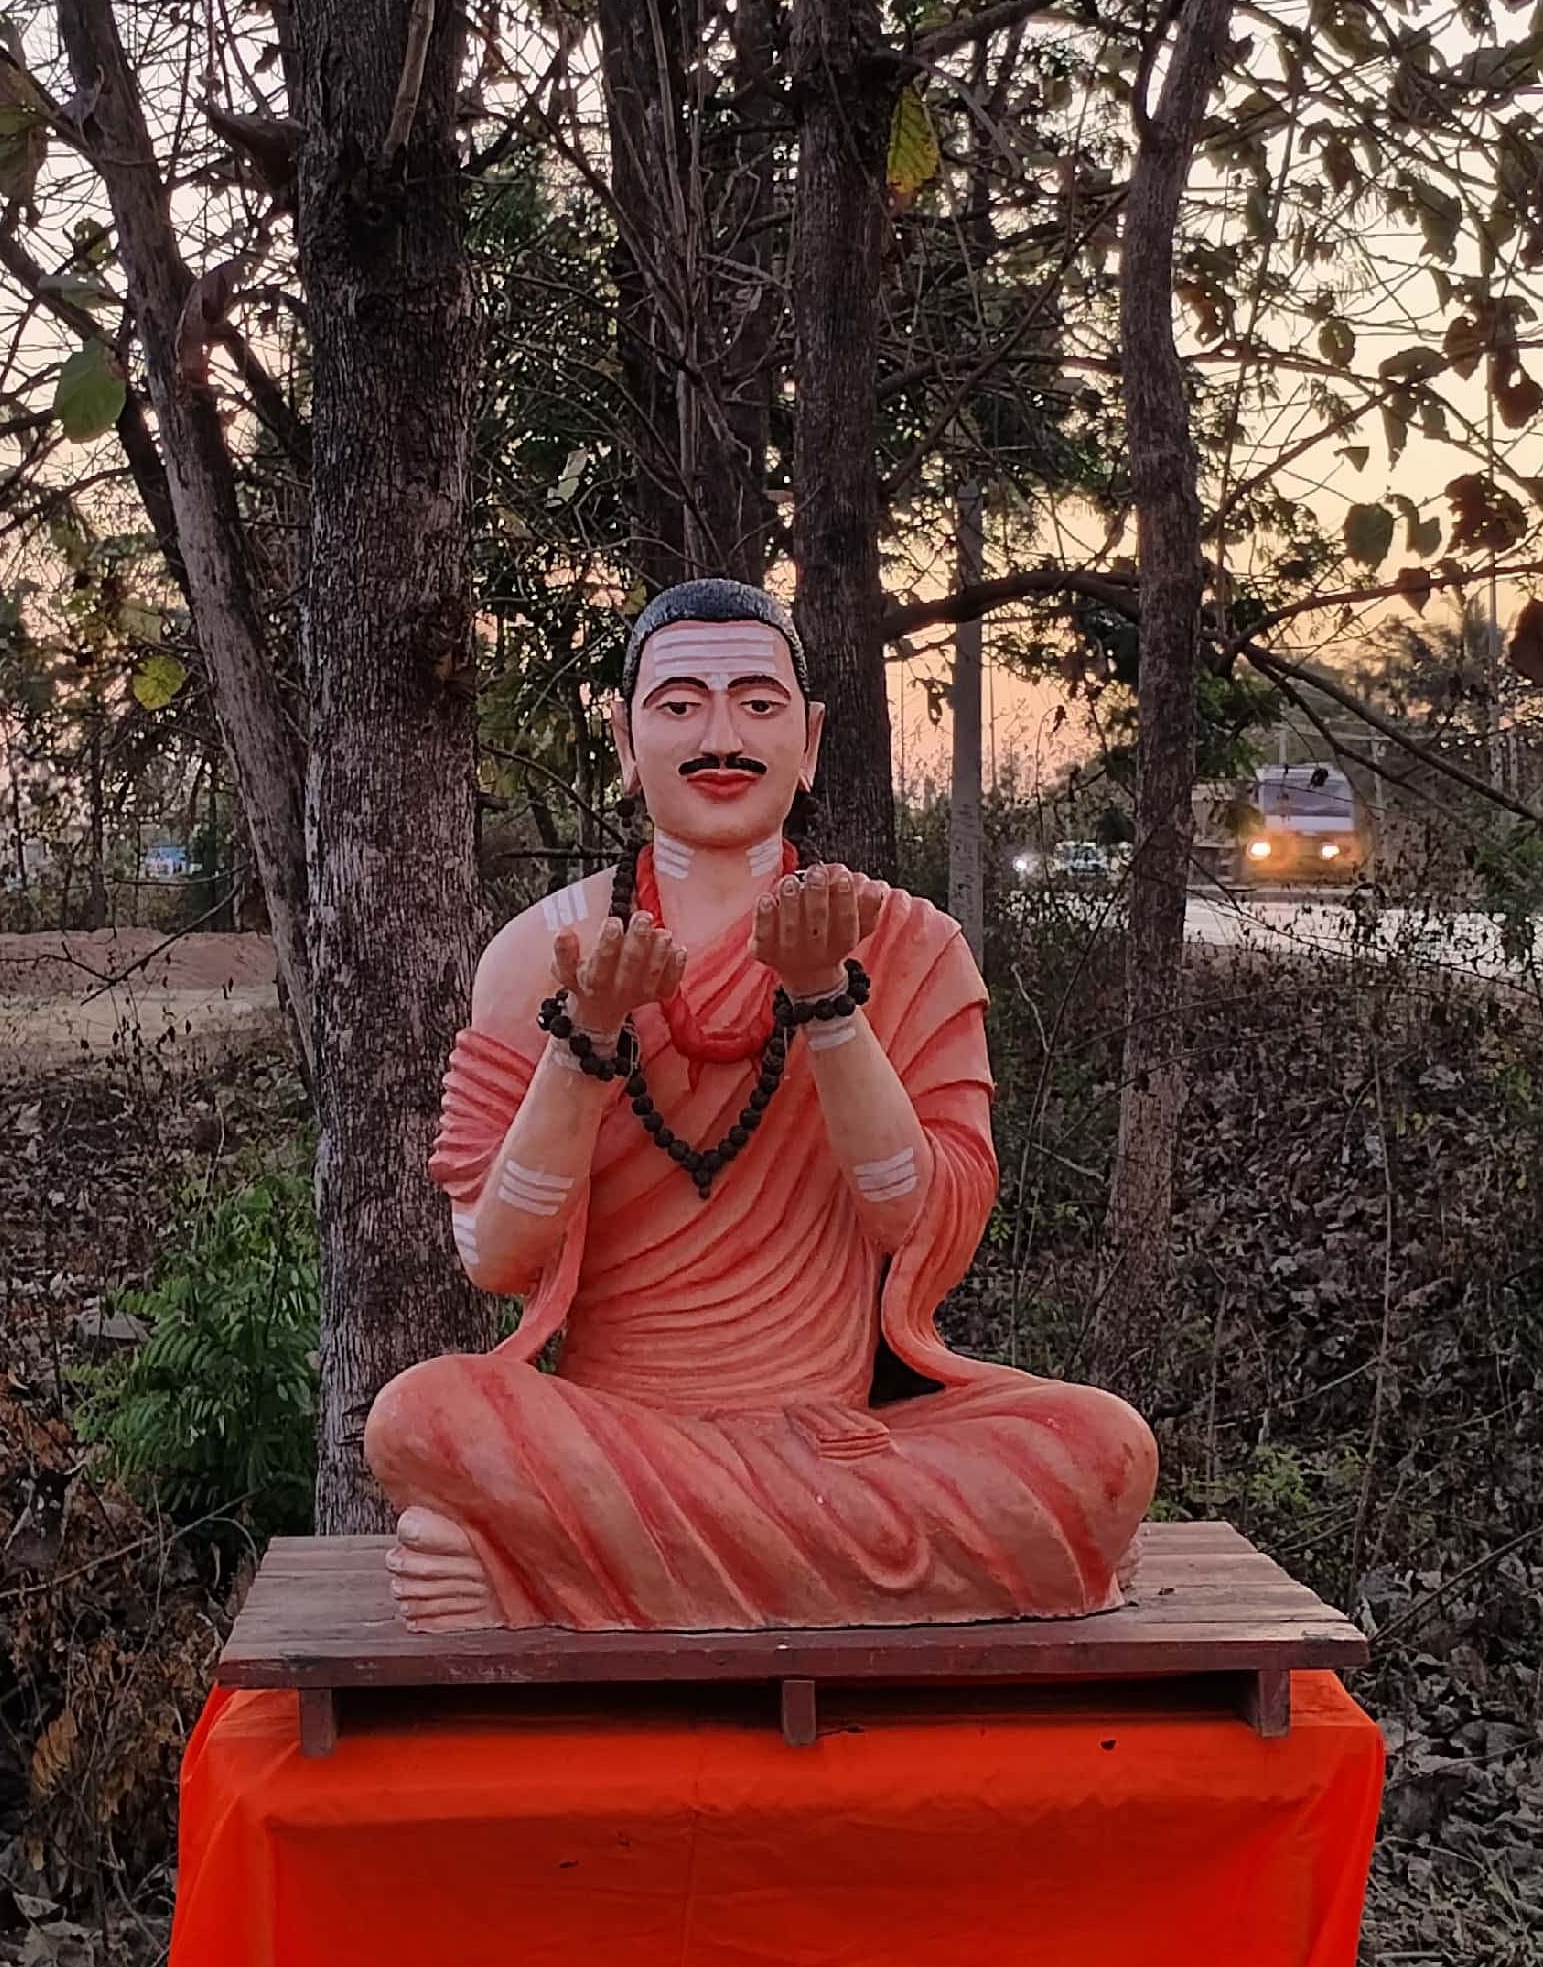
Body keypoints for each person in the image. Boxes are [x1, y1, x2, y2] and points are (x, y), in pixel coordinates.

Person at [368, 578, 1157, 1630]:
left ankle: (535, 1576)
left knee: (1101, 1448)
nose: (720, 735)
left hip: (833, 1441)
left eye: (757, 701)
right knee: (420, 1417)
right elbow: (496, 1254)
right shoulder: (538, 954)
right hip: (614, 1434)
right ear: (623, 734)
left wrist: (830, 1008)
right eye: (680, 703)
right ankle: (917, 1573)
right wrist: (586, 1045)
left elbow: (921, 1230)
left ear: (811, 736)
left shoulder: (905, 944)